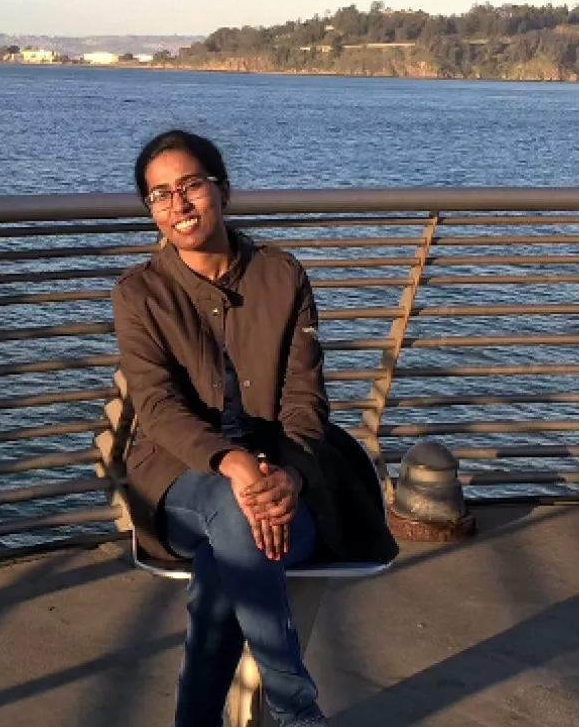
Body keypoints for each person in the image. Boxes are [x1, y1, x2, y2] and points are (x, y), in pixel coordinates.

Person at [112, 130, 398, 727]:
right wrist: (233, 463)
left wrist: (290, 476)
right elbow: (159, 407)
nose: (178, 205)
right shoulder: (139, 294)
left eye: (190, 186)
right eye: (160, 195)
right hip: (181, 479)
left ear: (222, 189)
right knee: (235, 513)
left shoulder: (281, 275)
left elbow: (305, 399)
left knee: (227, 563)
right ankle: (297, 708)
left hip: (281, 484)